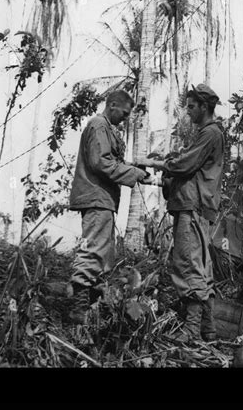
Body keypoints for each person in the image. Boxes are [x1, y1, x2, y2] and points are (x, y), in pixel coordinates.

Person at [136, 84, 225, 343]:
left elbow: (185, 165)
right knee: (200, 268)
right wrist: (155, 179)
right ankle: (208, 330)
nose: (188, 112)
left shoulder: (209, 133)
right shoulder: (207, 134)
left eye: (191, 107)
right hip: (195, 207)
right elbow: (190, 172)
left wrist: (153, 163)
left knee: (187, 265)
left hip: (192, 209)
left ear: (204, 107)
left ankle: (191, 330)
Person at [68, 89, 151, 324]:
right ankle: (78, 307)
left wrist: (136, 169)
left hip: (103, 198)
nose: (124, 119)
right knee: (94, 249)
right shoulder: (99, 125)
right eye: (124, 114)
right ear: (112, 104)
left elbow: (110, 161)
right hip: (96, 197)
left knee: (103, 254)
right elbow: (100, 162)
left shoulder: (106, 129)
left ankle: (90, 305)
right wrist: (134, 172)